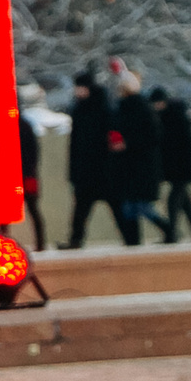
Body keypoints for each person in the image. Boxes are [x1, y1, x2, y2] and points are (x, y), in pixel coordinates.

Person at [106, 70, 161, 246]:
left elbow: (151, 136)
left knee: (137, 206)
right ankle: (133, 240)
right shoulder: (128, 108)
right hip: (131, 164)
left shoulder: (138, 108)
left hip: (138, 164)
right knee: (131, 206)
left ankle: (138, 238)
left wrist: (127, 143)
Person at [150, 87, 191, 242]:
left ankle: (172, 233)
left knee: (173, 200)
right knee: (186, 203)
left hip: (181, 167)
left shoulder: (173, 118)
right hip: (179, 167)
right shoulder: (171, 116)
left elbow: (178, 145)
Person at [65, 71, 112, 249]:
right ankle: (75, 239)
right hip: (89, 169)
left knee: (111, 204)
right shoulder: (85, 109)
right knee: (82, 208)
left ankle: (76, 239)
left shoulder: (95, 109)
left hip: (97, 167)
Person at [15, 81, 48, 252]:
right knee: (33, 209)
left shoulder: (23, 126)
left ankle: (3, 242)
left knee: (31, 209)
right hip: (27, 174)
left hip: (24, 175)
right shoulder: (25, 125)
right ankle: (40, 244)